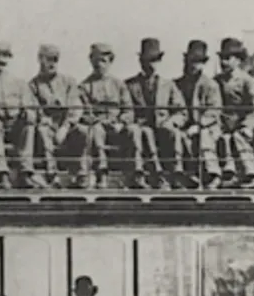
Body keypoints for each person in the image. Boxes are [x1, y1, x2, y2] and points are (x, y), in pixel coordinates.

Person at [0, 41, 41, 189]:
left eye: (5, 56)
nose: (1, 60)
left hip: (15, 125)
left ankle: (26, 173)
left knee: (29, 126)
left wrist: (28, 113)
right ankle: (2, 173)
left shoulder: (19, 83)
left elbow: (29, 103)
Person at [124, 38, 186, 190]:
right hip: (141, 126)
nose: (151, 64)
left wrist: (171, 121)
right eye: (147, 60)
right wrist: (131, 121)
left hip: (163, 127)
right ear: (141, 61)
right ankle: (141, 174)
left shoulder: (169, 85)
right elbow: (126, 109)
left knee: (174, 133)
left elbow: (181, 111)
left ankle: (176, 173)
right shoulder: (130, 85)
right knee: (142, 132)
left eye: (155, 60)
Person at [78, 43, 141, 189]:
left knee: (134, 130)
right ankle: (102, 172)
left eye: (103, 61)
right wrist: (98, 120)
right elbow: (86, 112)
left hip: (118, 125)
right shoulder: (84, 86)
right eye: (96, 61)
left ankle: (137, 173)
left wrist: (121, 122)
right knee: (95, 131)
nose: (100, 65)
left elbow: (128, 109)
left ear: (110, 62)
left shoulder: (119, 85)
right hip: (98, 125)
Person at [29, 44, 86, 188]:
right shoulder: (33, 85)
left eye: (55, 59)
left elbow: (76, 105)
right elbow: (32, 106)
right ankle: (51, 174)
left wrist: (66, 126)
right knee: (43, 131)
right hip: (47, 124)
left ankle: (81, 173)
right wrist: (42, 118)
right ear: (39, 59)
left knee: (83, 131)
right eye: (48, 59)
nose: (52, 63)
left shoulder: (69, 82)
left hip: (67, 122)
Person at [215, 37, 254, 189]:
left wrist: (247, 126)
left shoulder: (247, 81)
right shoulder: (217, 80)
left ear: (237, 60)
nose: (223, 62)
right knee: (222, 137)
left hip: (242, 123)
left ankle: (253, 174)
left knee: (238, 137)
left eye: (227, 58)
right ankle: (228, 174)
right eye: (222, 58)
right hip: (223, 123)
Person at [173, 40, 224, 189]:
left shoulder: (211, 85)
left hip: (208, 126)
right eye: (192, 61)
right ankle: (188, 173)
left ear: (203, 63)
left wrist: (199, 124)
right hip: (185, 125)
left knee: (204, 136)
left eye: (198, 61)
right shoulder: (178, 84)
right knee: (179, 137)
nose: (194, 65)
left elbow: (214, 111)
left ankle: (213, 174)